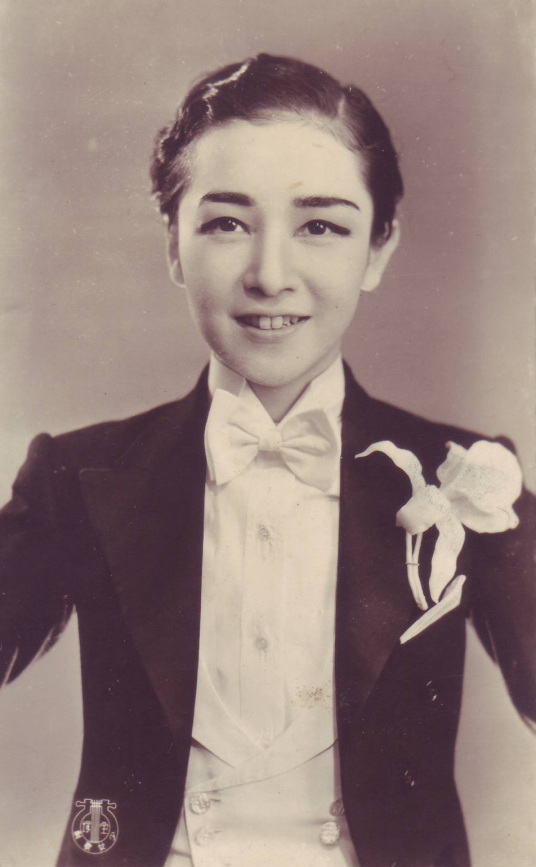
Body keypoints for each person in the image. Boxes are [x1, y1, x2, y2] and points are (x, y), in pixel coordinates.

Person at [0, 53, 534, 867]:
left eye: (320, 226)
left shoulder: (465, 474)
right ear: (174, 244)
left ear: (379, 248)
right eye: (226, 223)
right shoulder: (78, 475)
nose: (270, 276)